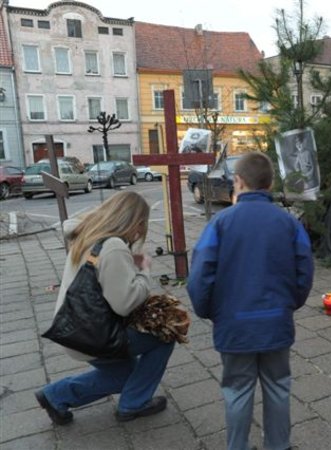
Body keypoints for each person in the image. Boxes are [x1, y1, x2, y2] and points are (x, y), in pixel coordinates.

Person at [188, 152, 314, 450]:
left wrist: (209, 311)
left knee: (237, 390)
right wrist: (289, 305)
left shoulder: (219, 224)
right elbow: (304, 272)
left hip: (234, 326)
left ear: (238, 181)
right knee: (278, 386)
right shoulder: (289, 223)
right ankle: (279, 445)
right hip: (276, 323)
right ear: (270, 184)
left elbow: (200, 277)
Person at [35, 191, 174, 425]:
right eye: (141, 225)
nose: (140, 232)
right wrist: (144, 271)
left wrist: (127, 262)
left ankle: (55, 396)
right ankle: (134, 404)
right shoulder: (113, 246)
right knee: (165, 336)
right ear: (135, 222)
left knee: (126, 374)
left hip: (73, 330)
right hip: (94, 336)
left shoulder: (89, 234)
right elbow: (125, 304)